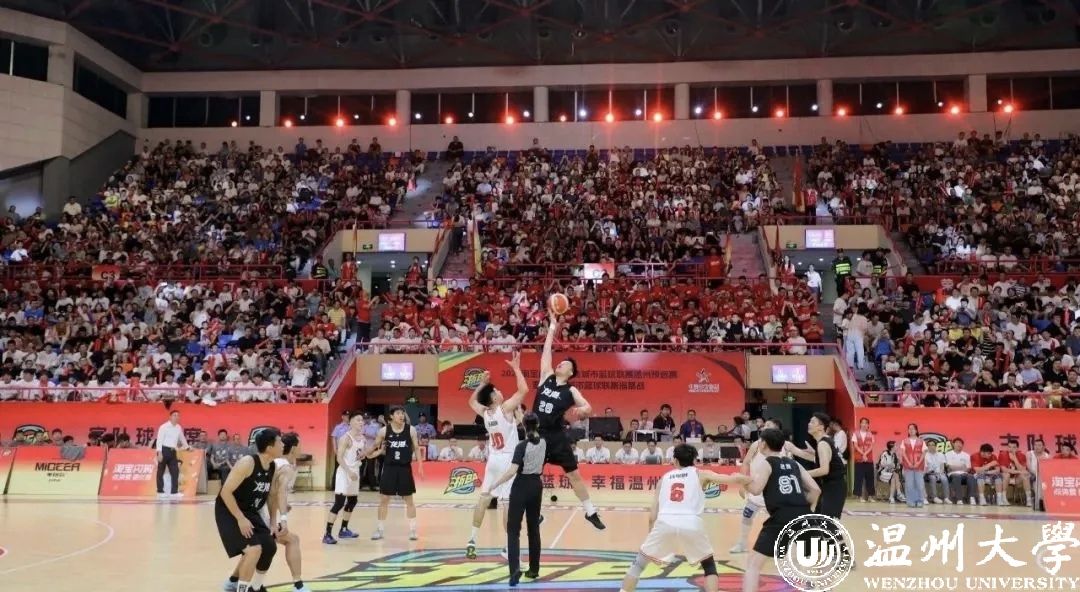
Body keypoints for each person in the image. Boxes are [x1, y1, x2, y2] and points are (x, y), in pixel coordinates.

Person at [619, 444, 750, 592]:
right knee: (709, 567)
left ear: (675, 460)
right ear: (694, 460)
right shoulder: (701, 474)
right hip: (691, 522)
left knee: (638, 565)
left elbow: (652, 515)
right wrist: (749, 479)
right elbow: (732, 479)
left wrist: (652, 538)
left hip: (665, 522)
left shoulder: (664, 479)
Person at [533, 309, 605, 529]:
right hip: (536, 435)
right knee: (533, 475)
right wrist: (552, 326)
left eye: (564, 364)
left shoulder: (571, 390)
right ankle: (535, 513)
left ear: (571, 372)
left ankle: (590, 511)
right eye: (560, 362)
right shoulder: (546, 377)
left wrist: (582, 410)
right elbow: (547, 350)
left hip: (556, 436)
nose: (560, 364)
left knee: (573, 474)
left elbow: (588, 407)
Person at [224, 432, 310, 592]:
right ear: (294, 448)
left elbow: (271, 492)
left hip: (256, 510)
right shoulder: (285, 467)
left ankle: (233, 581)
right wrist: (282, 518)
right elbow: (280, 492)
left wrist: (282, 506)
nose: (302, 448)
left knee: (255, 549)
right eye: (300, 445)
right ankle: (298, 586)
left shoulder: (274, 462)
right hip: (259, 513)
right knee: (289, 541)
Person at [465, 352, 529, 560]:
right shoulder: (504, 409)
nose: (501, 392)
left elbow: (471, 401)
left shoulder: (485, 413)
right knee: (507, 503)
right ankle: (508, 548)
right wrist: (516, 368)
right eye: (498, 391)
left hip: (493, 460)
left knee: (484, 498)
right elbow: (524, 390)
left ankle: (472, 540)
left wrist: (482, 385)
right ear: (494, 397)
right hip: (507, 460)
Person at [742, 428, 821, 592]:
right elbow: (815, 490)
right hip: (803, 515)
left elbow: (756, 489)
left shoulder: (767, 463)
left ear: (763, 444)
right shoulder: (795, 463)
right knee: (809, 565)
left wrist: (741, 481)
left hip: (781, 517)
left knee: (753, 564)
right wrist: (801, 504)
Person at [214, 427, 283, 592]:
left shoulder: (272, 466)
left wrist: (273, 522)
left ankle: (254, 587)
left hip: (250, 511)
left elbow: (272, 496)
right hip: (229, 510)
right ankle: (241, 589)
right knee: (253, 550)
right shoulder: (248, 463)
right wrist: (240, 518)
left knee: (269, 547)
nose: (283, 445)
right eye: (280, 442)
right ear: (269, 447)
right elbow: (225, 492)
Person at [483, 413, 546, 587]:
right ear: (538, 425)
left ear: (523, 426)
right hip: (536, 486)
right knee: (534, 529)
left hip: (521, 487)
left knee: (513, 530)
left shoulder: (521, 446)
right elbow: (532, 426)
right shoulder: (543, 442)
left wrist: (494, 484)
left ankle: (514, 572)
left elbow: (511, 472)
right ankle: (534, 569)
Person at [730, 418, 785, 554]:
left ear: (776, 429)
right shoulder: (756, 444)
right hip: (756, 490)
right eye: (764, 425)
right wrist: (742, 484)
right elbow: (745, 463)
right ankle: (742, 543)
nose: (764, 427)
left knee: (778, 520)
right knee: (747, 516)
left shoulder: (784, 446)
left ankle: (781, 545)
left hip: (774, 491)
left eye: (768, 425)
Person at [368, 406, 424, 541]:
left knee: (409, 500)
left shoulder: (411, 429)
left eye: (402, 413)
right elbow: (374, 446)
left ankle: (413, 530)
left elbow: (416, 448)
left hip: (405, 468)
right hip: (389, 468)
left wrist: (420, 465)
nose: (401, 415)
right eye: (398, 413)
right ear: (392, 416)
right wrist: (367, 454)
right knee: (384, 499)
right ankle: (380, 529)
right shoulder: (383, 431)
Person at [324, 411, 372, 544]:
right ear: (350, 422)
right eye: (358, 420)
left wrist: (376, 451)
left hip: (355, 472)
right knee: (339, 503)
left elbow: (362, 455)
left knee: (352, 501)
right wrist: (349, 471)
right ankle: (327, 534)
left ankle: (344, 529)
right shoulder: (345, 438)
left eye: (362, 420)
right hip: (345, 472)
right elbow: (339, 458)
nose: (361, 422)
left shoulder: (362, 438)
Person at [786, 412, 846, 518]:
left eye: (813, 422)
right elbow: (815, 458)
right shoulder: (823, 442)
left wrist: (801, 474)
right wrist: (794, 449)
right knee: (819, 519)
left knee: (826, 522)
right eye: (809, 421)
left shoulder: (823, 444)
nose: (809, 424)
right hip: (830, 486)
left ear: (821, 427)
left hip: (835, 487)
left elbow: (824, 470)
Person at [155, 410, 191, 499]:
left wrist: (187, 447)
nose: (176, 417)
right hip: (163, 450)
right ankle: (160, 491)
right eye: (174, 415)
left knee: (175, 471)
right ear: (170, 417)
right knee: (160, 471)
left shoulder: (178, 427)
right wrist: (159, 452)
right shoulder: (164, 427)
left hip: (173, 451)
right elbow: (159, 440)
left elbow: (182, 438)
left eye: (178, 415)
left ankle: (174, 492)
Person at [898, 423, 927, 508]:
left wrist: (918, 463)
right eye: (909, 429)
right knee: (909, 484)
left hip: (919, 466)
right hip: (908, 466)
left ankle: (920, 501)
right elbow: (903, 453)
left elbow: (924, 453)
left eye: (913, 429)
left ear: (916, 430)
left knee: (919, 484)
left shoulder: (921, 441)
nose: (911, 430)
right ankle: (911, 501)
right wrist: (909, 462)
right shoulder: (904, 441)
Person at [944, 438, 977, 504]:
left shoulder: (966, 455)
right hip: (952, 474)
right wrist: (961, 467)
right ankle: (959, 499)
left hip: (964, 474)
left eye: (961, 443)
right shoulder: (947, 454)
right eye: (957, 443)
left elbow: (968, 468)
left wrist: (955, 467)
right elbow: (949, 468)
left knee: (971, 476)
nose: (959, 445)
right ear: (953, 444)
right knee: (957, 476)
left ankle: (971, 498)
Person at [851, 417, 875, 502]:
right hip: (859, 459)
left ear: (868, 425)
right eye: (862, 423)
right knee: (859, 478)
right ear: (860, 424)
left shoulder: (870, 434)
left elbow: (871, 446)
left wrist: (865, 454)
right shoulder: (855, 434)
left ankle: (871, 496)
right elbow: (855, 445)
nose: (864, 424)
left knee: (870, 478)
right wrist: (863, 454)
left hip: (869, 459)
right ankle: (859, 496)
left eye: (866, 423)